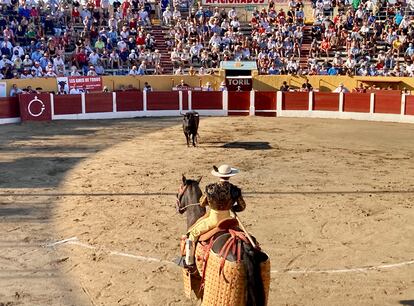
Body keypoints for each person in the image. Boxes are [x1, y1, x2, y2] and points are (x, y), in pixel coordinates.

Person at [184, 165, 246, 267]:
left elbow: (202, 203)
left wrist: (211, 203)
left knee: (193, 234)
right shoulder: (235, 190)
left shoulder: (211, 188)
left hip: (213, 220)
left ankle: (189, 261)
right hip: (228, 219)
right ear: (230, 176)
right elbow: (242, 206)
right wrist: (233, 208)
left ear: (219, 176)